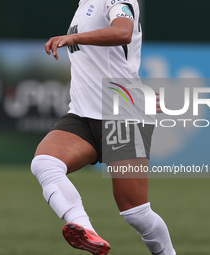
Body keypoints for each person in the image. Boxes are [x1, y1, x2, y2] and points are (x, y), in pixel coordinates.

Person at [31, 0, 176, 254]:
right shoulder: (85, 3)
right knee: (45, 162)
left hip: (123, 114)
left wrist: (73, 37)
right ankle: (86, 231)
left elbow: (123, 32)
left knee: (136, 213)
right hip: (83, 114)